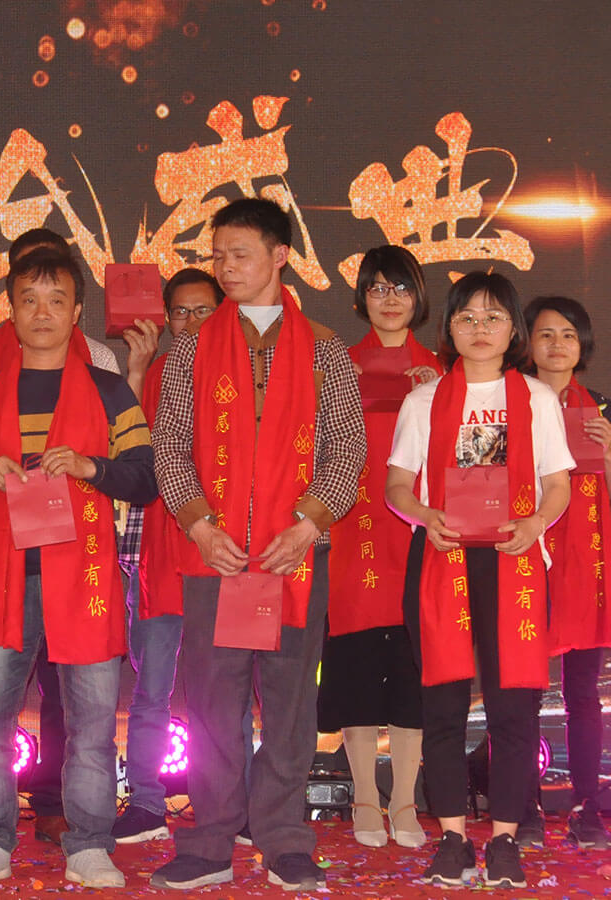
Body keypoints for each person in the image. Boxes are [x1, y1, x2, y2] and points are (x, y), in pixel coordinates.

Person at [151, 198, 365, 892]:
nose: (225, 267)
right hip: (215, 558)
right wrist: (199, 525)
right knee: (212, 704)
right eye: (218, 255)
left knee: (290, 705)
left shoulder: (325, 350)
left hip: (292, 558)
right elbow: (169, 444)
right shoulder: (191, 349)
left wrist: (308, 524)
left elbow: (347, 448)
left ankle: (283, 837)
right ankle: (211, 839)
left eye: (239, 253)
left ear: (280, 256)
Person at [0, 248, 156, 887]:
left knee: (92, 725)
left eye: (56, 301)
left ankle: (89, 843)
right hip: (3, 577)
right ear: (10, 310)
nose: (42, 313)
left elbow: (145, 479)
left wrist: (92, 467)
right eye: (29, 300)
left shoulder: (110, 391)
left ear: (76, 312)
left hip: (84, 577)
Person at [386, 272, 572, 888]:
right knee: (441, 703)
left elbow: (557, 485)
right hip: (441, 557)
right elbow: (397, 485)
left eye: (494, 317)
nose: (480, 328)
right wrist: (424, 515)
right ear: (450, 327)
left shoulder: (537, 399)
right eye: (467, 317)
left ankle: (507, 839)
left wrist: (536, 522)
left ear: (513, 328)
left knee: (512, 706)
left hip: (513, 559)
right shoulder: (424, 400)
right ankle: (453, 838)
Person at [316, 246, 441, 850]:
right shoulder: (339, 365)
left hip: (421, 534)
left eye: (401, 288)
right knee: (359, 664)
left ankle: (405, 801)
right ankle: (366, 797)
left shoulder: (444, 371)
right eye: (377, 288)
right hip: (354, 530)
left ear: (419, 298)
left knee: (415, 668)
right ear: (361, 297)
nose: (390, 300)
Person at [112, 267, 217, 843]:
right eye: (182, 312)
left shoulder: (245, 374)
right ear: (167, 318)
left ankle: (228, 805)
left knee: (221, 692)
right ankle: (147, 803)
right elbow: (122, 449)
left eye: (205, 310)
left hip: (220, 554)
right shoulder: (156, 373)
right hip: (159, 550)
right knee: (151, 689)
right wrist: (136, 369)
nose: (193, 322)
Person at [516, 295, 610, 850]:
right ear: (527, 343)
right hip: (525, 557)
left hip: (586, 566)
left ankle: (587, 806)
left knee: (582, 692)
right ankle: (523, 804)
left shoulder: (602, 410)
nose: (557, 345)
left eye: (568, 335)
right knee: (522, 691)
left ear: (583, 345)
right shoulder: (508, 404)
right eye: (546, 334)